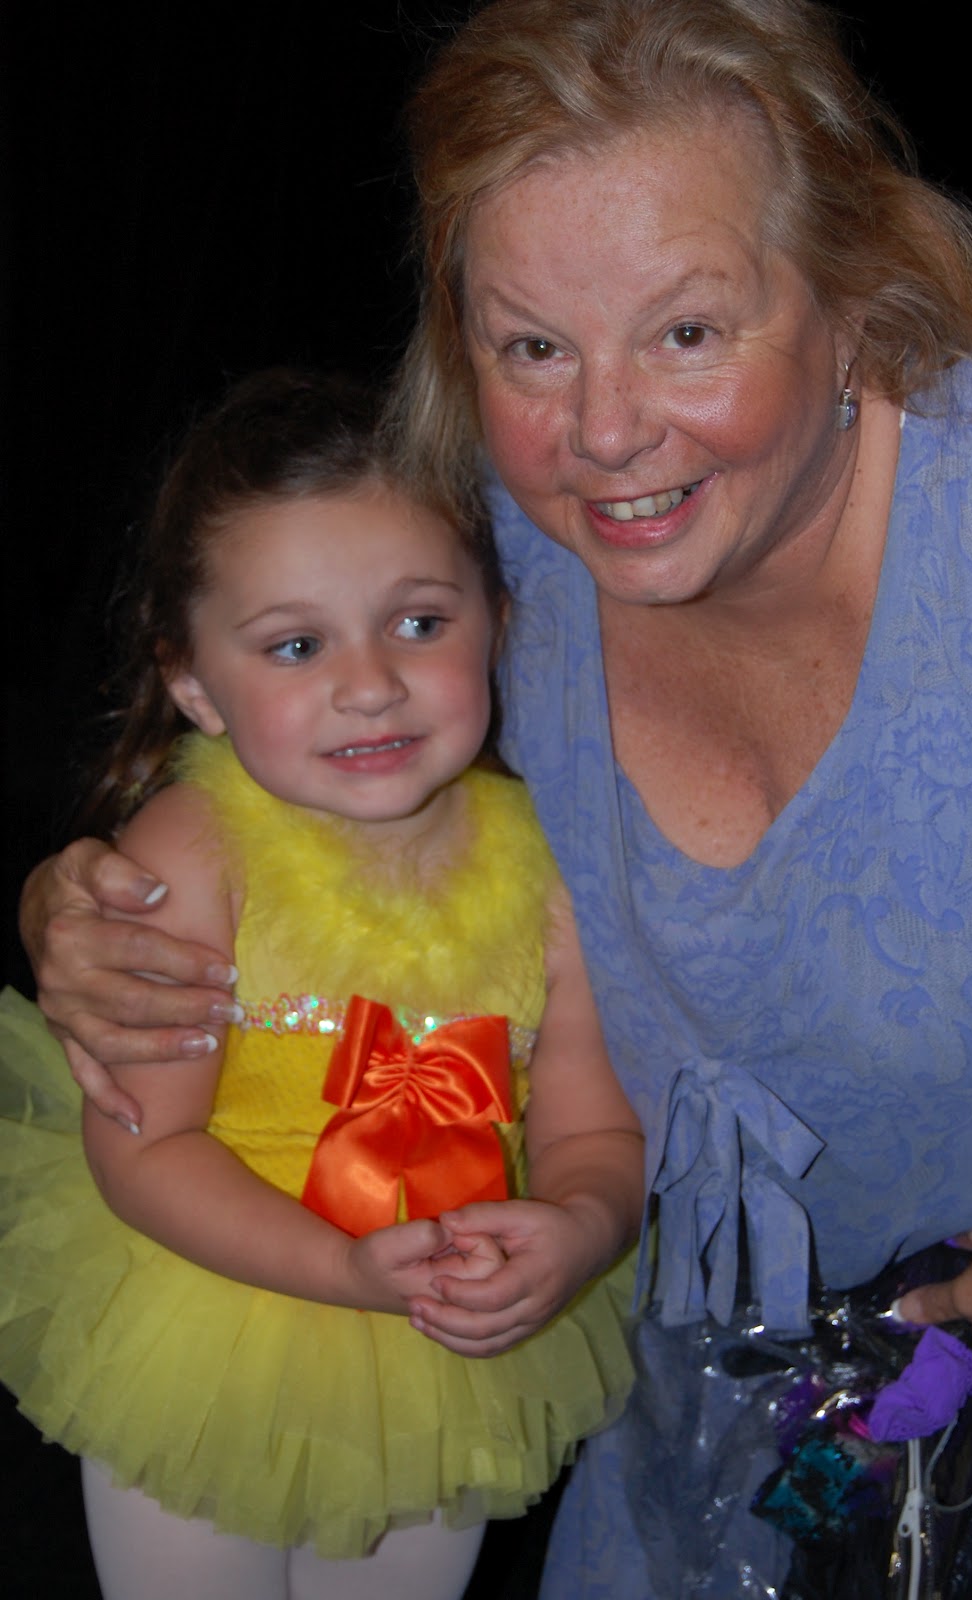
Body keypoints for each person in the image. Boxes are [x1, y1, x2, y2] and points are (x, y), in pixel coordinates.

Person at [17, 0, 972, 1593]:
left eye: (687, 332)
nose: (603, 433)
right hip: (677, 1462)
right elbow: (284, 761)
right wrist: (86, 908)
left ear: (855, 293)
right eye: (532, 347)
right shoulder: (479, 551)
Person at [0, 367, 642, 1600]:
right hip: (210, 1321)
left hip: (435, 1344)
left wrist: (578, 1226)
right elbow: (143, 1148)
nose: (368, 682)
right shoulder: (191, 854)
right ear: (194, 683)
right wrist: (339, 1271)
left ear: (498, 618)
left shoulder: (557, 867)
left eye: (419, 622)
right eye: (296, 644)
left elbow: (593, 1128)